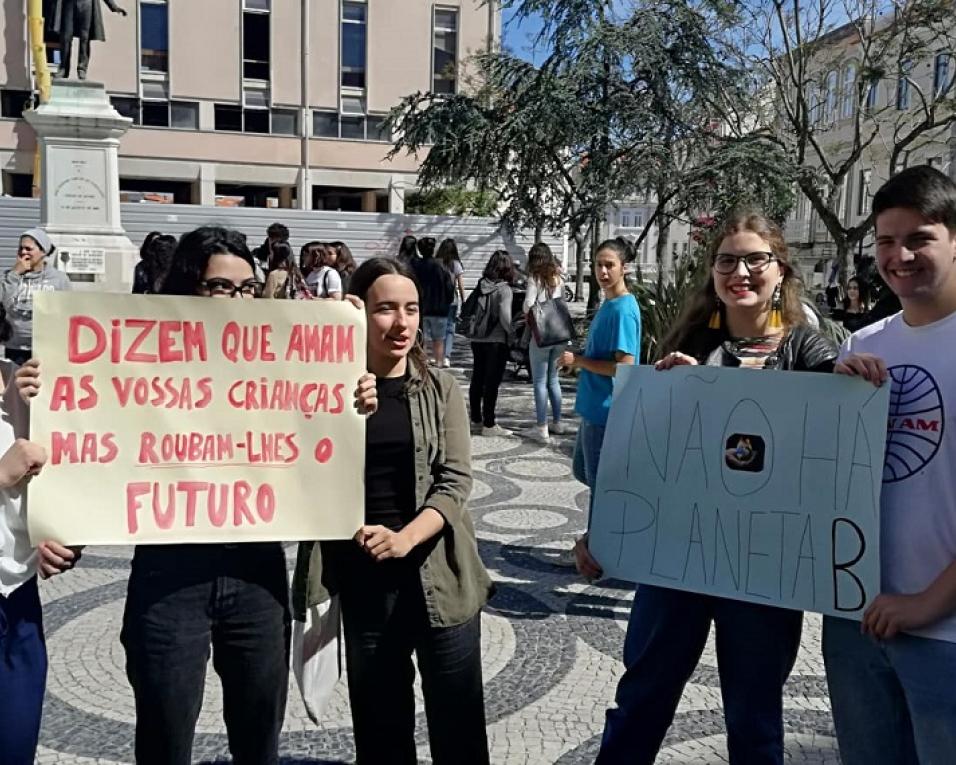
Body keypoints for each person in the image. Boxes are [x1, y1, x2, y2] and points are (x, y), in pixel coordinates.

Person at [16, 226, 377, 764]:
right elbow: (96, 447)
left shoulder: (279, 355)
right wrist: (58, 520)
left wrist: (351, 372)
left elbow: (318, 423)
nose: (238, 299)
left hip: (257, 572)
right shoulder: (137, 355)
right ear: (188, 289)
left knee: (259, 740)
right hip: (169, 577)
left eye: (248, 287)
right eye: (221, 288)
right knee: (164, 737)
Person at [589, 212, 838, 765]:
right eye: (727, 260)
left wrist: (856, 378)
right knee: (641, 700)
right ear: (713, 272)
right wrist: (601, 532)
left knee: (754, 721)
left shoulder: (808, 352)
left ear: (780, 271)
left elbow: (839, 443)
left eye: (756, 259)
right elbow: (643, 456)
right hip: (678, 558)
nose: (740, 271)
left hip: (762, 571)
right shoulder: (690, 344)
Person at [293, 257, 493, 764]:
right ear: (361, 313)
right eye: (384, 309)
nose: (401, 323)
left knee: (459, 731)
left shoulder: (441, 388)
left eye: (411, 308)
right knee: (382, 732)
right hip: (365, 583)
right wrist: (333, 363)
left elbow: (455, 481)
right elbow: (296, 464)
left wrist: (406, 537)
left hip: (441, 579)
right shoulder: (325, 390)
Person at [824, 165, 956, 765]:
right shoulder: (862, 344)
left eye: (919, 238)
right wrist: (830, 404)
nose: (899, 255)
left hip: (945, 631)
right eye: (884, 240)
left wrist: (930, 600)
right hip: (856, 620)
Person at [0, 300, 79, 763]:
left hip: (18, 599)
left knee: (14, 745)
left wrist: (59, 535)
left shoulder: (28, 382)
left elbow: (78, 468)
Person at [559, 238, 640, 530]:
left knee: (600, 486)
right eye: (598, 264)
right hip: (593, 408)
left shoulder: (622, 310)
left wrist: (579, 361)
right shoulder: (610, 304)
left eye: (610, 265)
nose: (603, 271)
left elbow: (625, 367)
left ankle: (598, 548)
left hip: (607, 411)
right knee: (584, 472)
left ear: (624, 268)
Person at [1, 228, 72, 365]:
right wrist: (15, 273)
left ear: (43, 252)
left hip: (46, 348)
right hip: (15, 348)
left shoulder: (58, 279)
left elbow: (67, 310)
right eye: (20, 248)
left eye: (28, 249)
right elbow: (3, 302)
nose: (23, 252)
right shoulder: (10, 276)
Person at [520, 242, 568, 441]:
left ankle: (542, 427)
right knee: (553, 380)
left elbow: (528, 305)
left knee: (539, 381)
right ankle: (558, 422)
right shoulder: (559, 277)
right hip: (559, 333)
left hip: (541, 335)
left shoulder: (535, 279)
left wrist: (527, 310)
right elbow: (562, 302)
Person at [469, 250, 516, 436]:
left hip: (477, 338)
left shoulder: (482, 284)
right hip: (496, 341)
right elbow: (505, 316)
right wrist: (511, 332)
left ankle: (475, 420)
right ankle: (489, 423)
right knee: (492, 382)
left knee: (477, 378)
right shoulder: (504, 289)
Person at [49, 0, 128, 80]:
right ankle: (63, 69)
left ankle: (82, 69)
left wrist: (113, 6)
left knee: (85, 38)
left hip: (86, 4)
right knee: (66, 37)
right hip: (69, 3)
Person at [411, 237, 454, 366]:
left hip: (422, 307)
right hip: (440, 308)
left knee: (421, 338)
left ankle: (421, 362)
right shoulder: (441, 267)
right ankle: (439, 363)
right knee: (439, 339)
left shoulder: (415, 266)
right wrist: (447, 301)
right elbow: (449, 288)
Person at [437, 238, 466, 368]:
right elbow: (460, 285)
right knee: (450, 328)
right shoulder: (456, 264)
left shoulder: (436, 263)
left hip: (437, 300)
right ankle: (446, 357)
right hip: (452, 300)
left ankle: (436, 355)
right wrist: (464, 300)